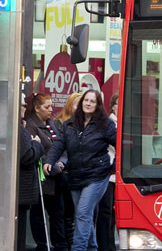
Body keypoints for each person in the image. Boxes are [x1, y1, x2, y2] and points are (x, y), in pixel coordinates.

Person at [43, 89, 116, 251]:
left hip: (97, 175)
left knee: (82, 213)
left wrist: (115, 167)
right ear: (82, 102)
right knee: (83, 215)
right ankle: (91, 248)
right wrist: (50, 160)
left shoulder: (105, 124)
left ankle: (78, 248)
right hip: (76, 175)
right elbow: (59, 144)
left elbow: (122, 146)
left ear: (98, 105)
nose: (88, 104)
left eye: (92, 101)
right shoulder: (70, 124)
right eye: (86, 100)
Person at [24, 93, 68, 251]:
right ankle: (42, 246)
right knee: (39, 216)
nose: (51, 109)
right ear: (37, 108)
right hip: (41, 179)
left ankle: (60, 246)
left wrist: (62, 161)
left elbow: (61, 144)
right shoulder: (31, 125)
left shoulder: (51, 123)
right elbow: (33, 150)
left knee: (58, 216)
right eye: (47, 107)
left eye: (51, 106)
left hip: (57, 179)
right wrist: (49, 163)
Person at [53, 92, 82, 250]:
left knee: (72, 214)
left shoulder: (84, 125)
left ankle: (71, 245)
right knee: (61, 214)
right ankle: (63, 245)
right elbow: (59, 148)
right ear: (70, 105)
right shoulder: (59, 123)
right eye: (77, 104)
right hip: (61, 175)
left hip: (76, 175)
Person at [17, 98, 44, 251]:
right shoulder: (19, 129)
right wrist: (36, 143)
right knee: (18, 234)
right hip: (21, 191)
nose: (25, 108)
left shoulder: (20, 127)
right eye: (23, 105)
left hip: (18, 191)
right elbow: (27, 156)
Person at [96, 93, 118, 251]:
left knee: (113, 214)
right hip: (108, 174)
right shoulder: (110, 123)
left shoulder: (120, 122)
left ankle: (109, 245)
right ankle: (105, 246)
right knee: (106, 212)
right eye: (117, 103)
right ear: (113, 106)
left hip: (117, 175)